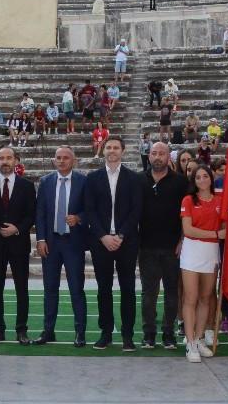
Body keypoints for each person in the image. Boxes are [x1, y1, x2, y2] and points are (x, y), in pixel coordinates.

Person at [85, 135, 143, 351]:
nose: (111, 150)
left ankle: (127, 335)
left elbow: (136, 211)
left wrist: (120, 236)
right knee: (104, 289)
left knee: (128, 289)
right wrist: (103, 236)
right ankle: (106, 332)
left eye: (116, 147)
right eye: (108, 147)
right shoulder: (93, 178)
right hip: (101, 241)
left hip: (126, 242)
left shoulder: (134, 178)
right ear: (103, 149)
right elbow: (89, 210)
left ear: (123, 151)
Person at [35, 147, 88, 347]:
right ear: (54, 160)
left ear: (73, 160)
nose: (62, 161)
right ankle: (48, 331)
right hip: (51, 242)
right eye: (58, 158)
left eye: (66, 158)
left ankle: (80, 332)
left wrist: (79, 218)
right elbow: (40, 213)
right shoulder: (46, 181)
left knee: (76, 289)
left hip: (73, 243)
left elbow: (90, 209)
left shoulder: (84, 181)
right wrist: (40, 239)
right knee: (50, 289)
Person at [0, 147, 36, 345]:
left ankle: (21, 330)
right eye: (1, 158)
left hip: (19, 244)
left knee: (21, 288)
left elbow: (31, 214)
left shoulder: (27, 186)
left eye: (8, 158)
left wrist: (17, 228)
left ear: (16, 161)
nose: (5, 161)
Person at [139, 142, 187, 350]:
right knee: (149, 293)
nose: (158, 157)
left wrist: (182, 239)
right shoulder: (138, 180)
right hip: (146, 247)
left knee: (171, 293)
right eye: (154, 153)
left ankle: (168, 333)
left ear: (169, 157)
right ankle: (149, 333)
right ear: (148, 156)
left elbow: (188, 213)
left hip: (172, 248)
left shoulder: (181, 182)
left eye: (162, 153)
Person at [179, 164, 223, 363]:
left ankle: (199, 340)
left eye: (206, 176)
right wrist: (215, 234)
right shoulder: (188, 200)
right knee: (191, 297)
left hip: (211, 252)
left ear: (211, 178)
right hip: (191, 251)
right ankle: (189, 343)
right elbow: (188, 230)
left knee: (206, 297)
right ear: (194, 181)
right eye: (198, 177)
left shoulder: (220, 201)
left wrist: (221, 233)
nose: (202, 180)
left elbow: (226, 227)